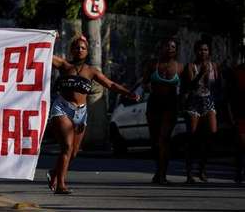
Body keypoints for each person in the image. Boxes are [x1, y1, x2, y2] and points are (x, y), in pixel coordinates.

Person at [46, 34, 139, 194]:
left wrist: (127, 92)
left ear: (87, 51)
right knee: (66, 147)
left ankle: (54, 172)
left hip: (81, 113)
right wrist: (51, 38)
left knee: (73, 152)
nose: (79, 50)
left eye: (83, 48)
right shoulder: (64, 65)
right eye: (76, 47)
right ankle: (60, 185)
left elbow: (110, 84)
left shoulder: (91, 71)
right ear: (71, 50)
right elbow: (44, 54)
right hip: (62, 108)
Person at [142, 38, 184, 185]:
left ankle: (162, 174)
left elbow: (185, 88)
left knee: (164, 139)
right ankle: (158, 171)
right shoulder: (153, 64)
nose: (170, 49)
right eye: (167, 46)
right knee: (155, 142)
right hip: (154, 105)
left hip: (170, 106)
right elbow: (144, 82)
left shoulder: (180, 67)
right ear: (161, 48)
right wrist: (146, 88)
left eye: (173, 47)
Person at [181, 40, 219, 183]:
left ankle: (202, 169)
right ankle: (189, 173)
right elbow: (190, 86)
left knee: (211, 135)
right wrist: (201, 73)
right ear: (195, 51)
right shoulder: (190, 66)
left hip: (208, 101)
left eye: (205, 50)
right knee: (192, 138)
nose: (203, 52)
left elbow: (217, 84)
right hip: (193, 104)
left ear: (209, 52)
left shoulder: (213, 66)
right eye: (200, 50)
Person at [228, 46, 245, 184]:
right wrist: (231, 115)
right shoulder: (236, 72)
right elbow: (230, 96)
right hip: (240, 113)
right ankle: (239, 171)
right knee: (241, 143)